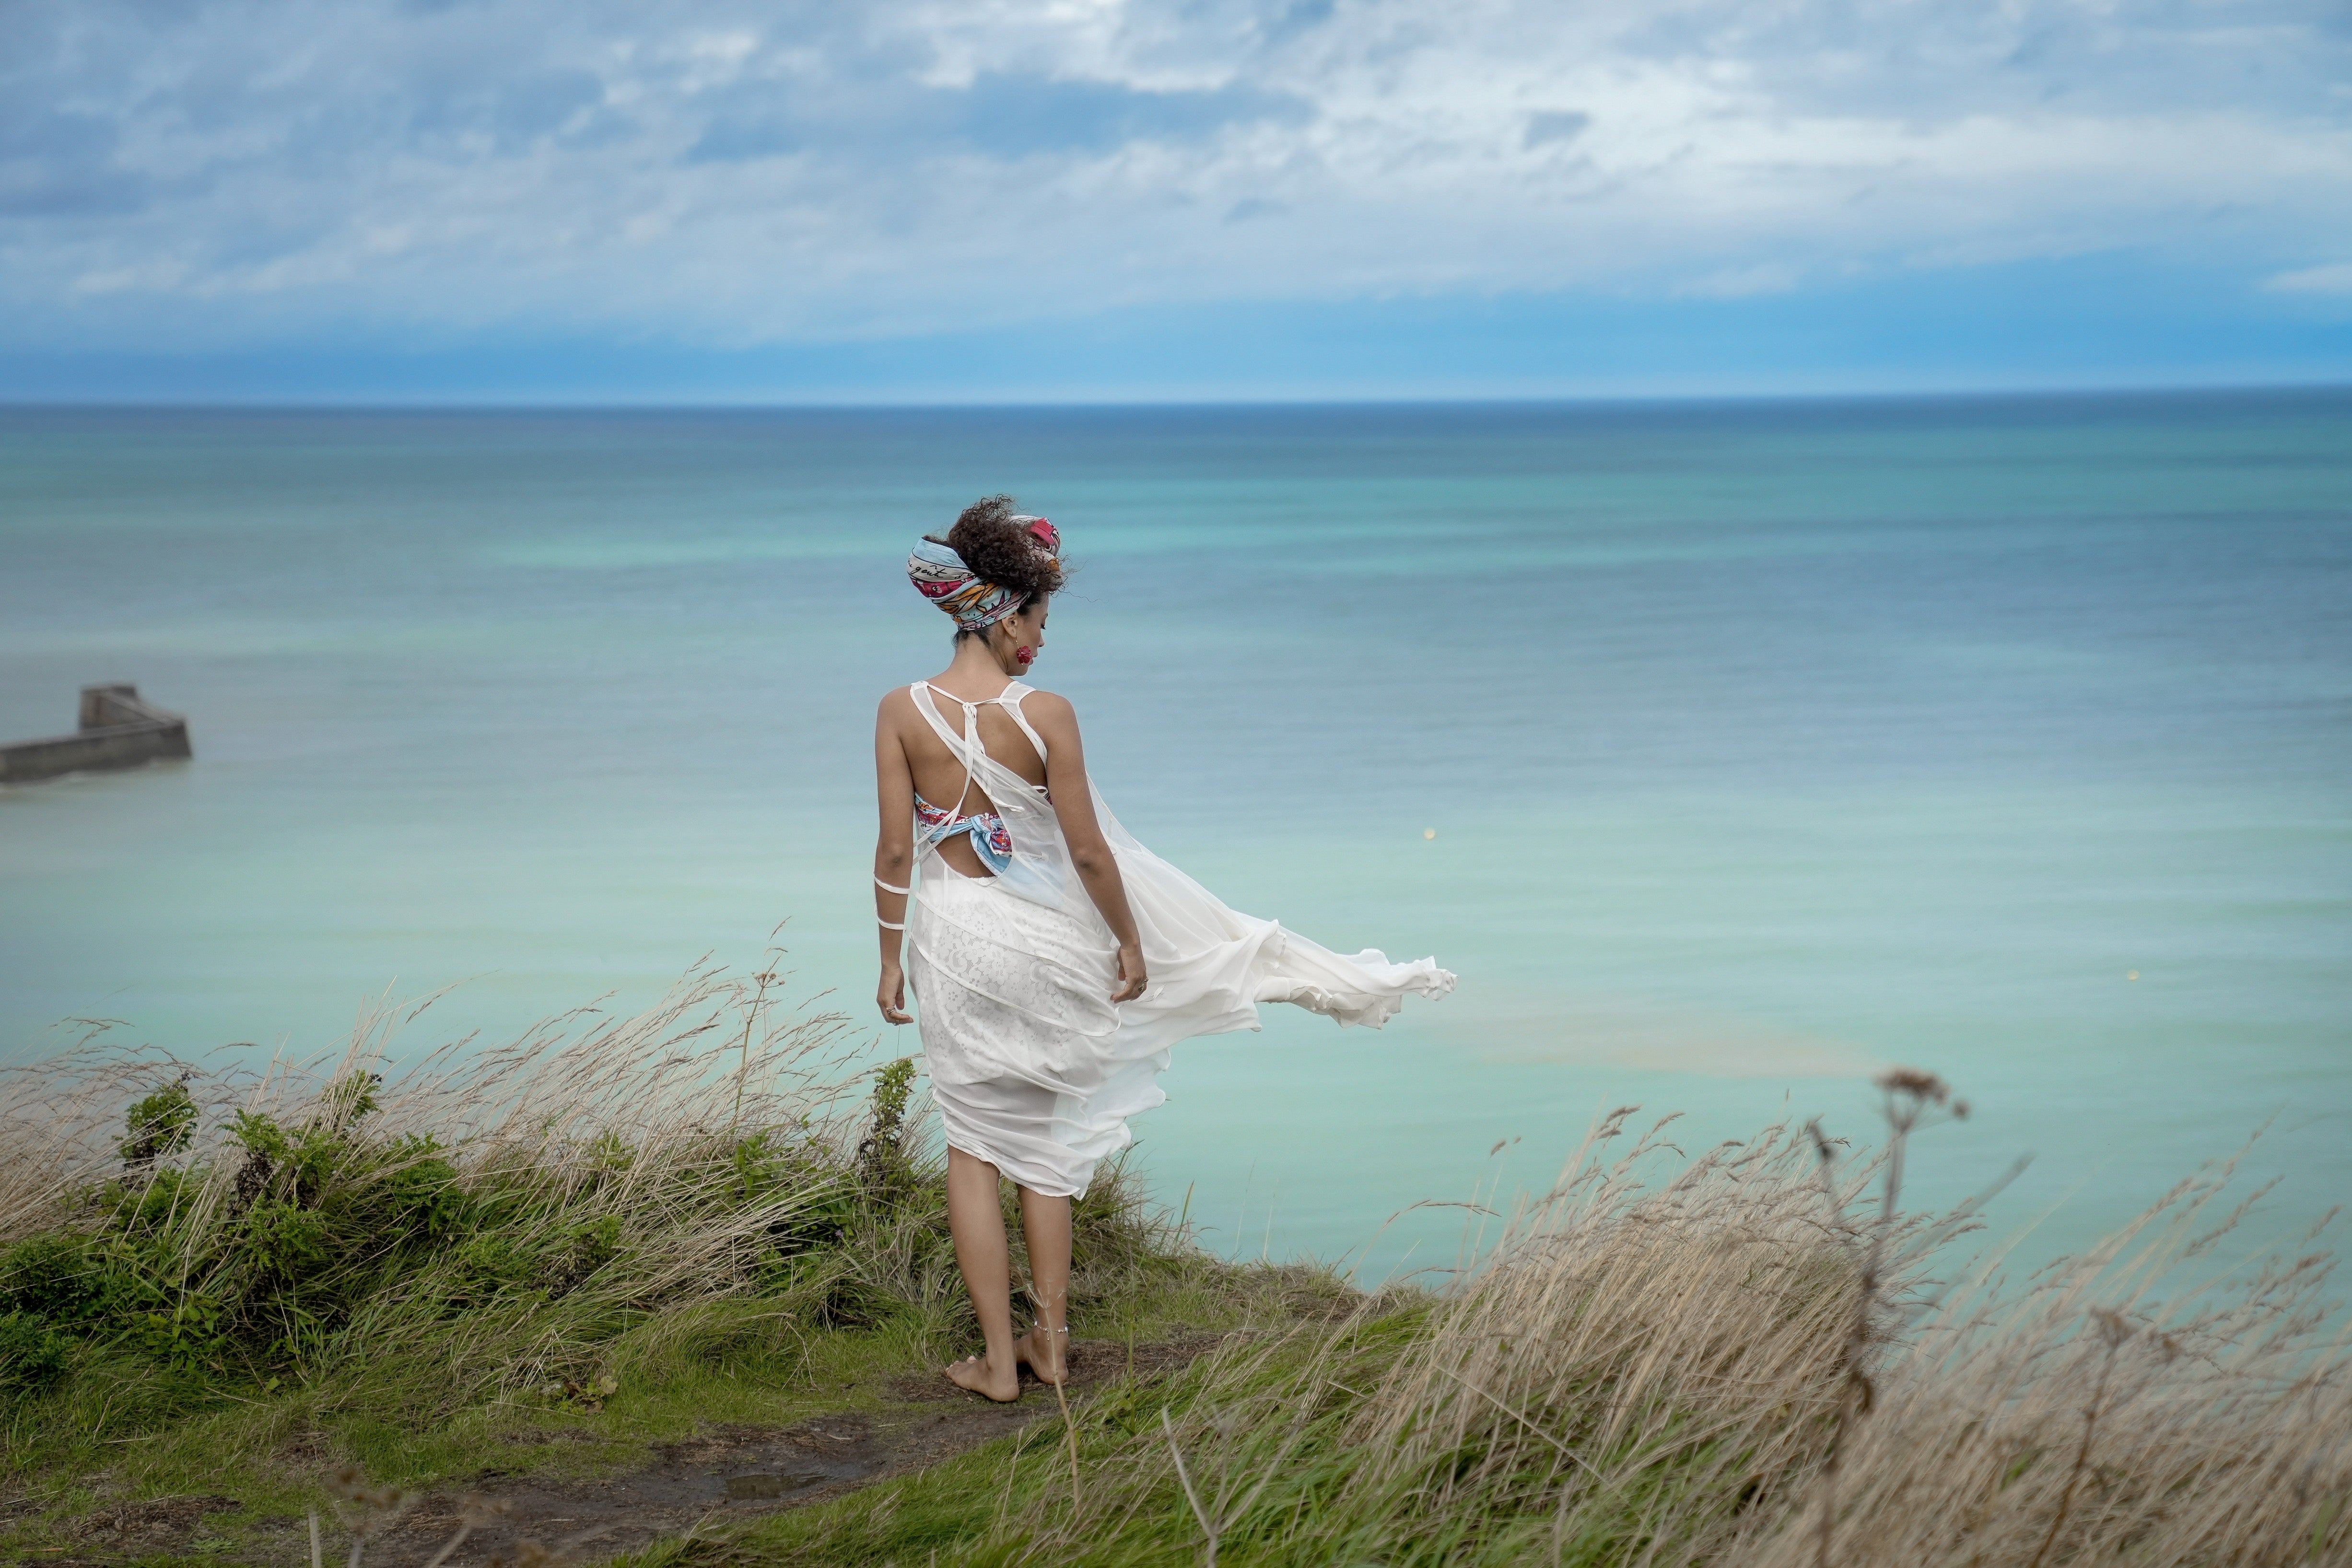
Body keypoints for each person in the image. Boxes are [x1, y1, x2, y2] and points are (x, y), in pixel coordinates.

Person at [871, 496, 1453, 1402]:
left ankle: (997, 1362)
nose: (1042, 640)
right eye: (1038, 620)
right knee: (1043, 1149)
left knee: (973, 1149)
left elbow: (897, 851)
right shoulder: (1047, 716)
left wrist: (884, 958)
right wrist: (1131, 941)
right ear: (1002, 609)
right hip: (1046, 945)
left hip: (951, 943)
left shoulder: (900, 711)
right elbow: (1091, 852)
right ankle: (1052, 1346)